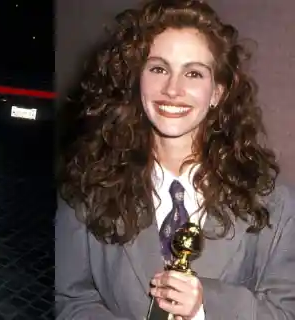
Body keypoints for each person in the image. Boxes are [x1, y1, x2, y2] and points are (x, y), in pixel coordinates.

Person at [55, 0, 295, 319]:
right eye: (158, 68)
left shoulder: (273, 201)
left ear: (217, 93)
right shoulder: (86, 184)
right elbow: (71, 298)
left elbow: (285, 310)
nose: (172, 89)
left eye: (193, 73)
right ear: (136, 80)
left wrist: (207, 304)